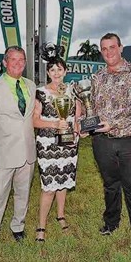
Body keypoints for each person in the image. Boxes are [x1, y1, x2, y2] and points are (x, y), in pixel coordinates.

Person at [90, 33, 131, 252]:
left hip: (130, 142)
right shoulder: (97, 76)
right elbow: (92, 108)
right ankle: (111, 223)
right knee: (110, 185)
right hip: (102, 142)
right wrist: (85, 126)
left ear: (121, 48)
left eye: (112, 47)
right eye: (104, 48)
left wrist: (114, 123)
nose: (109, 52)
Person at [0, 46, 36, 258]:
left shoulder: (31, 85)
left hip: (28, 153)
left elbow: (31, 119)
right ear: (5, 62)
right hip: (1, 155)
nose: (18, 63)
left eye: (22, 60)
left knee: (24, 194)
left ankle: (18, 227)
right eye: (13, 59)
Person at [33, 43, 82, 242]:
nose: (56, 73)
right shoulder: (40, 93)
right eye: (52, 69)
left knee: (63, 183)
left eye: (59, 69)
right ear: (47, 72)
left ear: (65, 71)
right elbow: (34, 121)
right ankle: (41, 226)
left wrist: (80, 129)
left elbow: (78, 118)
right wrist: (55, 123)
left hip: (69, 144)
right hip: (47, 145)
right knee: (49, 186)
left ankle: (60, 215)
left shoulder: (73, 91)